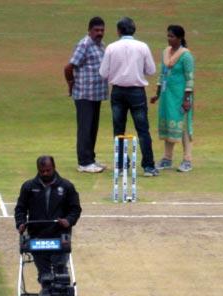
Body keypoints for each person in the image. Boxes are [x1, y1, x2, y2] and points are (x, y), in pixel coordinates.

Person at [99, 17, 158, 176]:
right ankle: (148, 166)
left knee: (118, 129)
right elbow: (151, 70)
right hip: (137, 92)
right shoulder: (142, 46)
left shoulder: (111, 47)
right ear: (134, 30)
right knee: (143, 129)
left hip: (118, 91)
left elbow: (103, 73)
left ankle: (120, 164)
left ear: (118, 31)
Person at [14, 156, 82, 285]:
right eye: (42, 171)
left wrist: (68, 221)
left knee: (60, 271)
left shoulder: (67, 186)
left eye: (48, 170)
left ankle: (63, 295)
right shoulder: (28, 187)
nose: (45, 173)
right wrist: (21, 223)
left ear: (54, 167)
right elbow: (20, 209)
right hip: (37, 236)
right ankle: (46, 293)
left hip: (60, 235)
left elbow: (75, 209)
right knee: (44, 274)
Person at [64, 16, 107, 174]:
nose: (99, 33)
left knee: (92, 128)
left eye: (102, 30)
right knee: (85, 128)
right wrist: (70, 83)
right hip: (84, 93)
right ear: (89, 30)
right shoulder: (84, 44)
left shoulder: (101, 45)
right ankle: (83, 162)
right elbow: (69, 67)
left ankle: (91, 159)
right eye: (96, 30)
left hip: (96, 94)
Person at [150, 25, 194, 172]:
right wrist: (157, 94)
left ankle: (187, 160)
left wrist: (187, 100)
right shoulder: (165, 52)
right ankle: (167, 159)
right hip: (166, 96)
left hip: (181, 96)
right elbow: (162, 74)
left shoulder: (186, 56)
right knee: (168, 126)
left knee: (182, 127)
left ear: (180, 38)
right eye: (168, 36)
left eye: (172, 36)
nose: (169, 39)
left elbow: (189, 79)